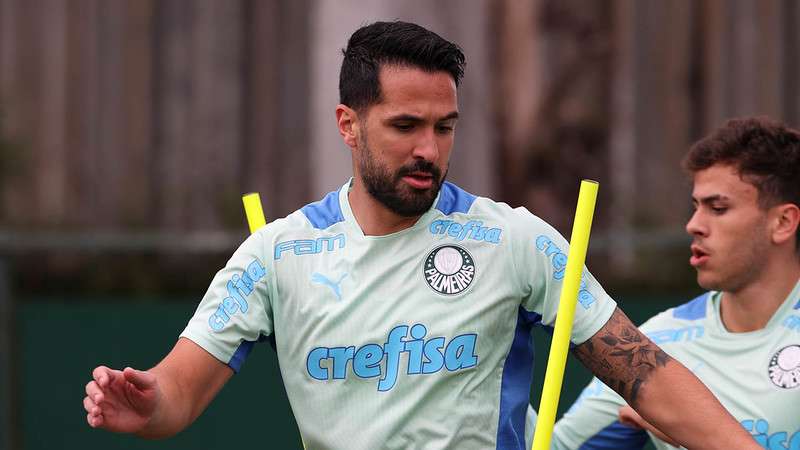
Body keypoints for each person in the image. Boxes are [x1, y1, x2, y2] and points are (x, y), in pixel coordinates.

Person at [82, 21, 759, 449]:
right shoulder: (276, 255)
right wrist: (143, 403)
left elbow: (646, 374)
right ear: (348, 124)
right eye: (405, 126)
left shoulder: (515, 241)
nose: (429, 150)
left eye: (445, 127)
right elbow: (177, 392)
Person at [552, 117, 800, 449]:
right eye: (696, 206)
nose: (694, 225)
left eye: (718, 208)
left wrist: (700, 438)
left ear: (783, 222)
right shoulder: (658, 344)